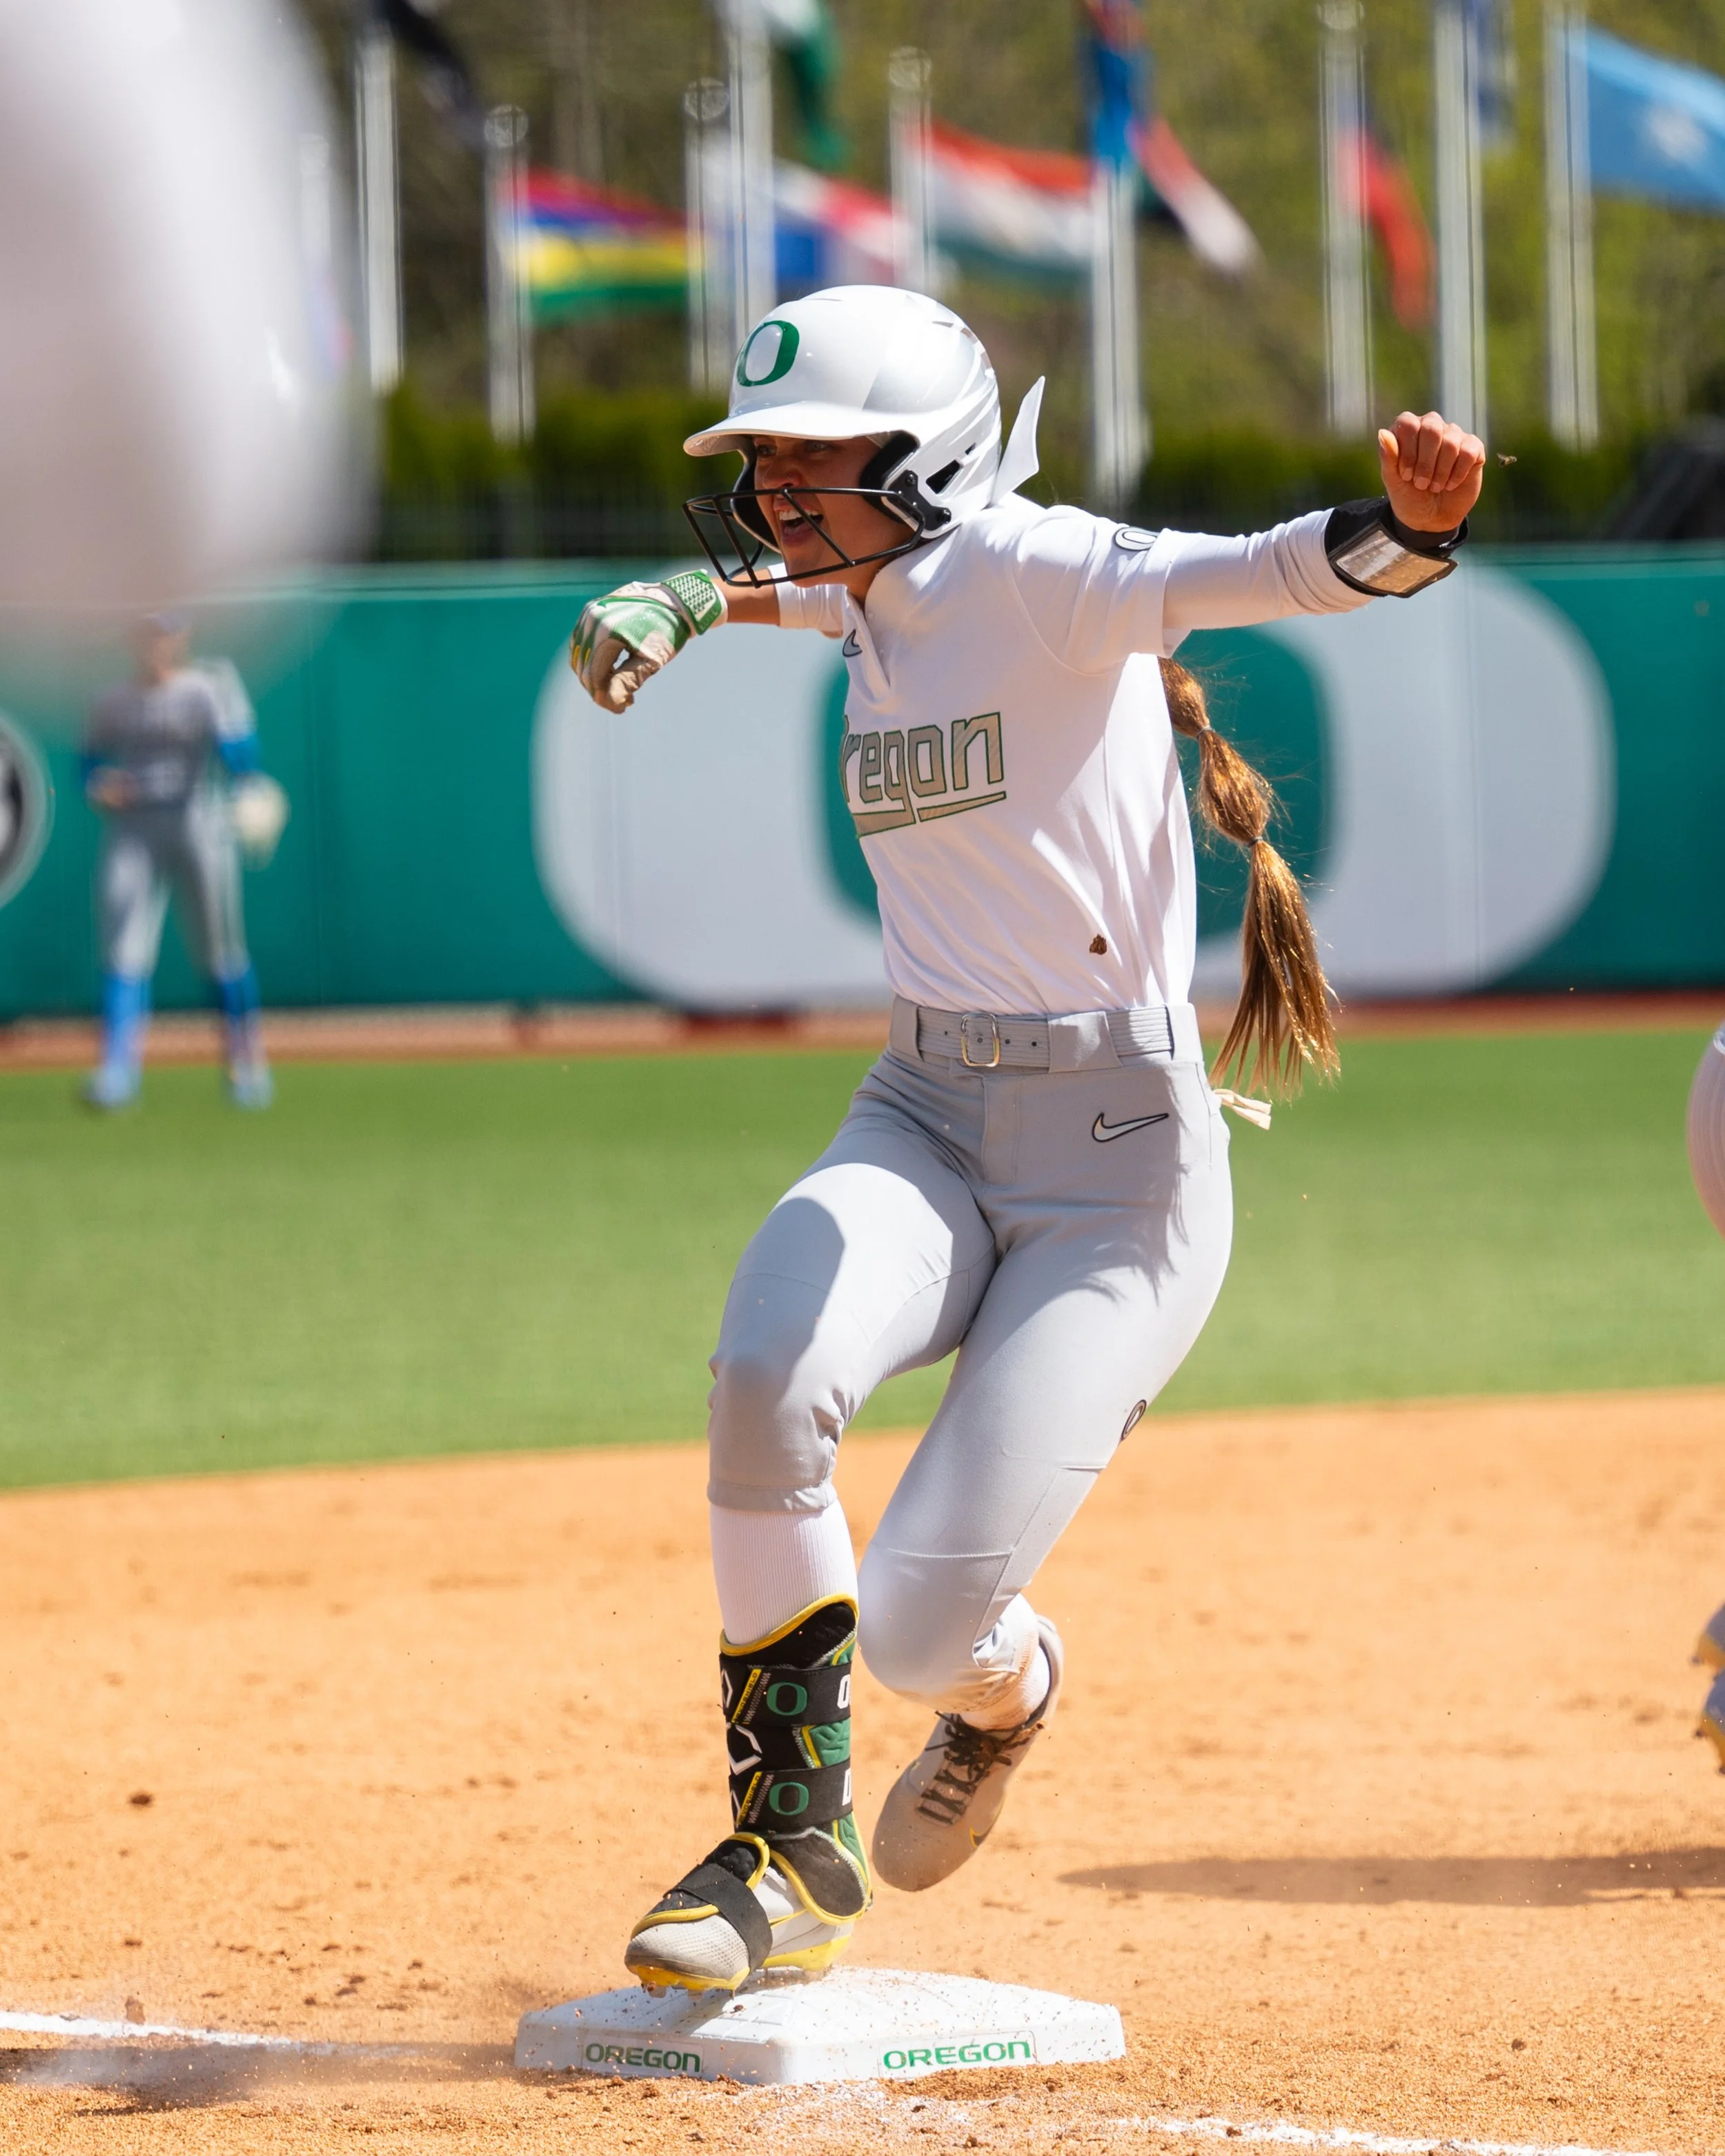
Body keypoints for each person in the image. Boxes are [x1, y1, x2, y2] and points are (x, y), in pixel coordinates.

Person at [569, 285, 1486, 1995]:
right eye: (755, 464)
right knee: (767, 1368)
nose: (771, 493)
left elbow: (1260, 569)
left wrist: (1408, 531)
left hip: (1117, 1171)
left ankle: (1011, 1690)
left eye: (803, 459)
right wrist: (697, 594)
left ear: (927, 465)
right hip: (921, 1107)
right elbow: (818, 596)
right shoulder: (876, 587)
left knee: (921, 1626)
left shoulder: (1043, 566)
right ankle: (791, 1842)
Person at [81, 614, 288, 1111]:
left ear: (181, 637)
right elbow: (87, 761)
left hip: (197, 818)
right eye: (146, 632)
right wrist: (98, 782)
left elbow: (241, 753)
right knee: (122, 949)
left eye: (163, 632)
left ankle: (245, 1060)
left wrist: (246, 783)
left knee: (221, 948)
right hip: (134, 827)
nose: (154, 643)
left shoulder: (206, 688)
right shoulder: (115, 696)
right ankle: (117, 1068)